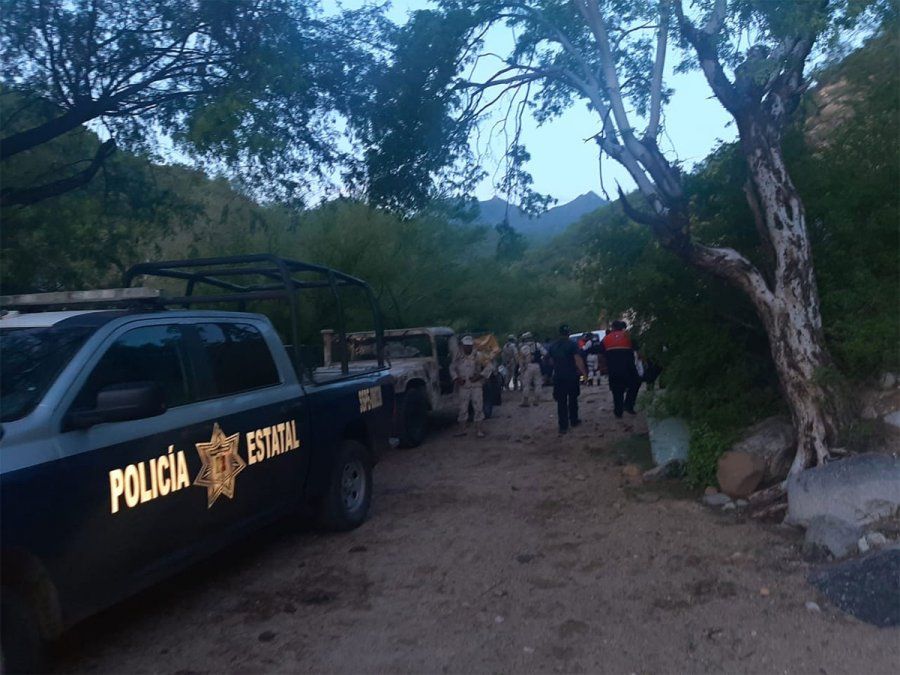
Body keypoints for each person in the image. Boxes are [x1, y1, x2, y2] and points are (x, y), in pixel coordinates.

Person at [450, 334, 492, 437]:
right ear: (462, 346)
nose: (468, 348)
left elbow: (489, 366)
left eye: (469, 346)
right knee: (462, 408)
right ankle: (462, 429)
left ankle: (479, 430)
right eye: (466, 346)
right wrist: (456, 378)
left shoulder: (478, 355)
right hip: (463, 385)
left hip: (476, 385)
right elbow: (452, 368)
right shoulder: (458, 356)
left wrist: (479, 376)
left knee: (478, 407)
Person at [598, 320, 641, 418]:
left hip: (613, 369)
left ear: (612, 328)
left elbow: (600, 356)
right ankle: (629, 405)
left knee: (617, 390)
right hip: (628, 368)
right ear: (622, 327)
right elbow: (639, 351)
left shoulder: (605, 339)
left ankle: (618, 412)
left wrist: (603, 367)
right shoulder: (629, 337)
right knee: (635, 383)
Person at [548, 324, 587, 434]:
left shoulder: (553, 346)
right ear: (568, 333)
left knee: (561, 402)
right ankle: (574, 420)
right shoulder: (572, 344)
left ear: (559, 333)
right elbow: (577, 359)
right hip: (571, 376)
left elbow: (550, 361)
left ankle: (563, 426)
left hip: (558, 376)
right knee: (573, 398)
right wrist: (584, 374)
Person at [517, 332, 545, 406]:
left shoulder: (523, 348)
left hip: (527, 366)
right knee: (538, 383)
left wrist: (522, 369)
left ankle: (526, 401)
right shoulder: (537, 345)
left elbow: (521, 360)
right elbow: (545, 353)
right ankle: (536, 400)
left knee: (526, 384)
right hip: (537, 366)